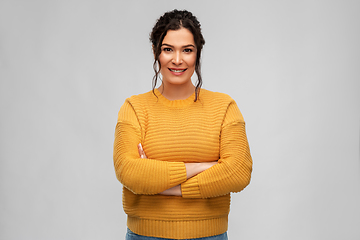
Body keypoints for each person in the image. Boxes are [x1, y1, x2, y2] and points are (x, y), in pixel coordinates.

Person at [113, 9, 252, 240]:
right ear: (156, 52)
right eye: (168, 49)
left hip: (209, 236)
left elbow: (238, 172)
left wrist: (165, 186)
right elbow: (129, 171)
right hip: (145, 236)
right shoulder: (134, 108)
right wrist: (201, 166)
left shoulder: (224, 106)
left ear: (197, 54)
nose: (177, 60)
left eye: (187, 50)